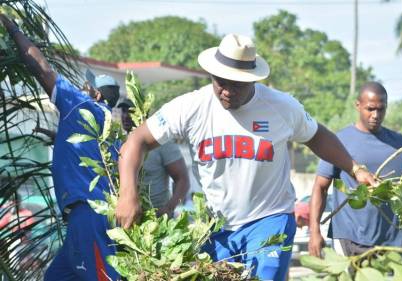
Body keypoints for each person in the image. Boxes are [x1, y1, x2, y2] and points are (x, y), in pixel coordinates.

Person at [115, 33, 375, 280]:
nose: (227, 91)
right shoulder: (190, 107)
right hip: (215, 227)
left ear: (253, 79)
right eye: (221, 82)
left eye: (236, 84)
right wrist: (128, 194)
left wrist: (355, 168)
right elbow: (136, 141)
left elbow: (317, 136)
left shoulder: (281, 107)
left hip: (269, 219)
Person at [0, 15, 120, 281]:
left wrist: (13, 28)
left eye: (86, 86)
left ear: (96, 95)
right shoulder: (112, 130)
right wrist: (57, 136)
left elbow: (41, 67)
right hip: (88, 215)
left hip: (88, 214)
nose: (81, 87)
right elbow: (90, 152)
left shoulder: (80, 105)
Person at [308, 82, 402, 262]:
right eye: (370, 109)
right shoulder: (339, 142)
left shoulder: (399, 144)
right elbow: (320, 187)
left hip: (391, 242)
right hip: (350, 239)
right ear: (357, 105)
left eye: (381, 109)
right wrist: (314, 232)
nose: (376, 115)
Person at [117, 99, 189, 217]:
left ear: (143, 113)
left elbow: (182, 179)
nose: (125, 116)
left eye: (130, 111)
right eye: (123, 111)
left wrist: (169, 208)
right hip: (127, 220)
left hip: (156, 221)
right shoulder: (117, 143)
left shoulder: (162, 142)